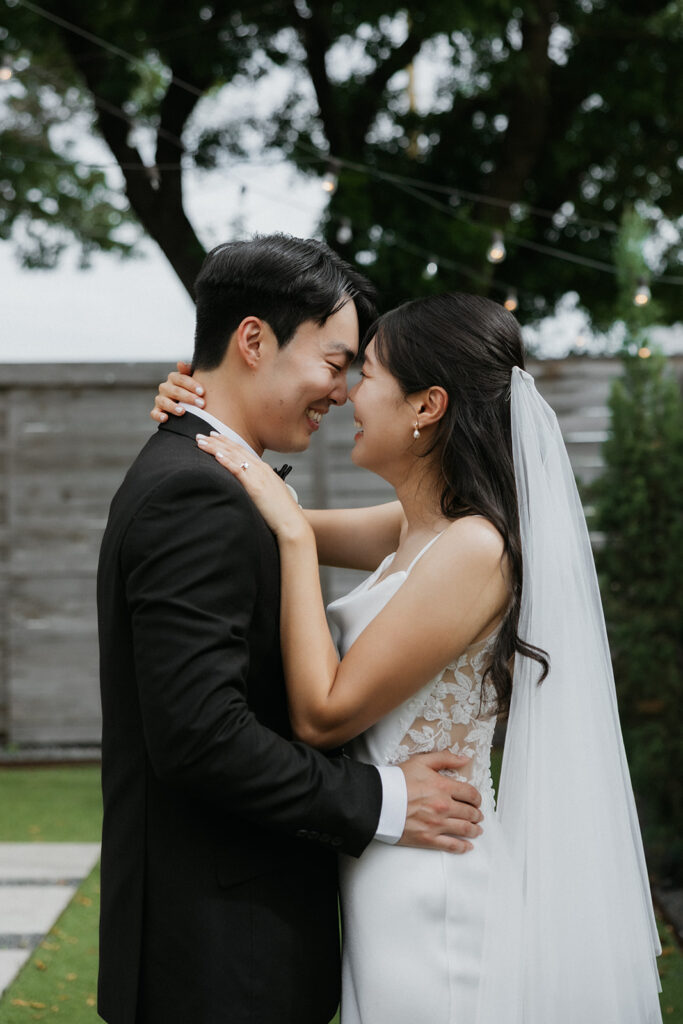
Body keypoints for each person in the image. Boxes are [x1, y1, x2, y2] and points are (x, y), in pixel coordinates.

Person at [159, 289, 663, 1023]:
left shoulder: (473, 549)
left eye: (366, 375)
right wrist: (199, 410)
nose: (345, 396)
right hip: (387, 865)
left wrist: (298, 545)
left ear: (426, 406)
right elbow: (260, 513)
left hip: (436, 892)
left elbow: (323, 714)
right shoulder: (416, 526)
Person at [97, 235, 485, 1024]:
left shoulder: (212, 485)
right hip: (219, 955)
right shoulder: (194, 495)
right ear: (252, 340)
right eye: (335, 361)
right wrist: (381, 802)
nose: (341, 391)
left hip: (244, 939)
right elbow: (202, 737)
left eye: (356, 372)